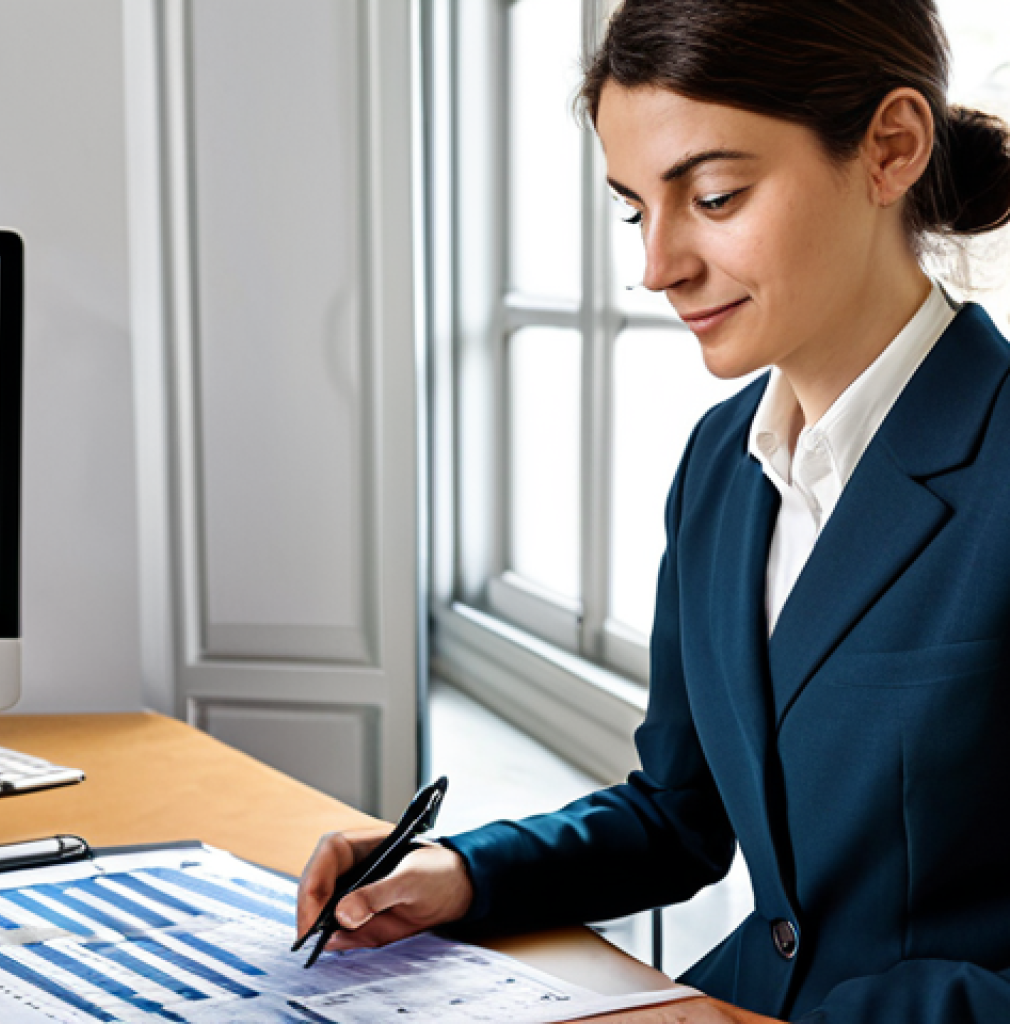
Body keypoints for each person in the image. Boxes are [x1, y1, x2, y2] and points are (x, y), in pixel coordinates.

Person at [297, 1, 1010, 1020]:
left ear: (889, 149)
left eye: (714, 197)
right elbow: (679, 813)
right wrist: (463, 872)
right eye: (636, 208)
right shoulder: (722, 463)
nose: (655, 266)